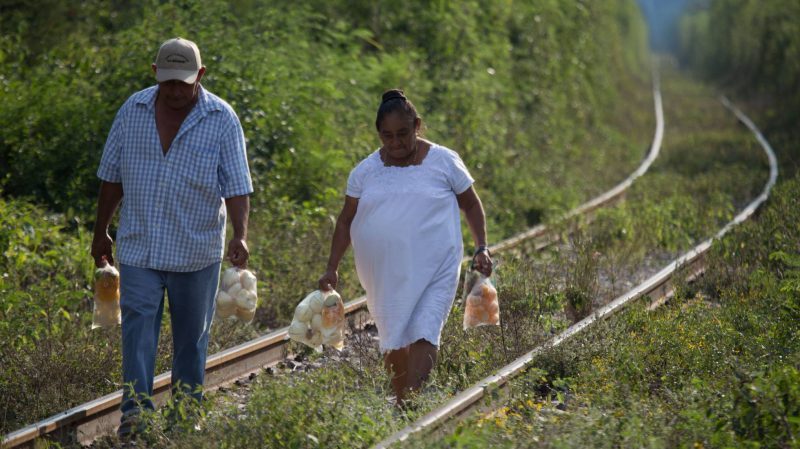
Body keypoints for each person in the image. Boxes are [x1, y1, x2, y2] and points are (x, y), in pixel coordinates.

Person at [91, 37, 253, 436]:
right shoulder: (133, 110)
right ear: (155, 75)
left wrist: (241, 234)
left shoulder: (221, 118)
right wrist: (101, 232)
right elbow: (111, 178)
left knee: (190, 341)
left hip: (196, 250)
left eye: (184, 82)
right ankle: (136, 417)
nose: (176, 91)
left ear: (199, 75)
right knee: (137, 331)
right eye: (168, 83)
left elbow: (236, 185)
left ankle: (183, 419)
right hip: (140, 244)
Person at [318, 89, 493, 407]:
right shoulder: (365, 171)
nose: (395, 142)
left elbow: (471, 204)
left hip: (437, 266)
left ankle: (409, 403)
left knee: (426, 328)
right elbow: (345, 221)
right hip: (384, 274)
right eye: (387, 136)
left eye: (402, 134)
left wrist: (482, 247)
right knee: (394, 335)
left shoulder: (444, 161)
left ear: (417, 126)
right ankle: (402, 403)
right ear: (378, 134)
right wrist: (332, 267)